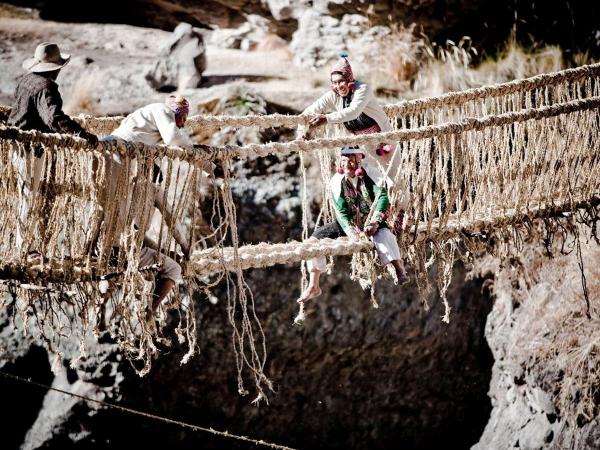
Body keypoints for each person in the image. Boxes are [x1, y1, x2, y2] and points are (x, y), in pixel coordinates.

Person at [8, 42, 98, 255]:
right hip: (31, 148)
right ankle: (26, 248)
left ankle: (27, 244)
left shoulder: (26, 81)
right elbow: (53, 118)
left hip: (17, 145)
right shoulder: (47, 87)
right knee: (30, 195)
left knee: (26, 192)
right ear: (55, 68)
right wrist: (82, 134)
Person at [298, 145, 408, 304]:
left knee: (384, 235)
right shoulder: (337, 182)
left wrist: (375, 222)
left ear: (359, 161)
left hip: (371, 221)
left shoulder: (370, 176)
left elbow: (382, 198)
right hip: (349, 224)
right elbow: (340, 211)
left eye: (351, 161)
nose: (347, 165)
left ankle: (399, 269)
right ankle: (314, 284)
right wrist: (350, 231)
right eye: (344, 161)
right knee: (313, 241)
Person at [298, 52, 396, 173]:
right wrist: (303, 130)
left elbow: (353, 112)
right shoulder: (333, 95)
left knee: (392, 180)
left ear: (349, 79)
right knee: (372, 182)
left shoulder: (363, 89)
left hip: (384, 139)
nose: (338, 86)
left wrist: (326, 119)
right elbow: (309, 112)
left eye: (341, 81)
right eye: (334, 83)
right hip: (363, 144)